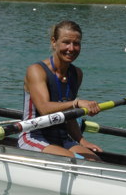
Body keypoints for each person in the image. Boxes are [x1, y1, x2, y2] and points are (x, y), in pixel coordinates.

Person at [18, 20, 102, 158]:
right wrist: (76, 103)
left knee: (94, 160)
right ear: (53, 42)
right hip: (33, 136)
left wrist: (82, 141)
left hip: (62, 138)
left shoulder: (77, 74)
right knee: (72, 159)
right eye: (66, 42)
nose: (71, 48)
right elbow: (44, 108)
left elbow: (69, 116)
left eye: (76, 43)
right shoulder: (36, 70)